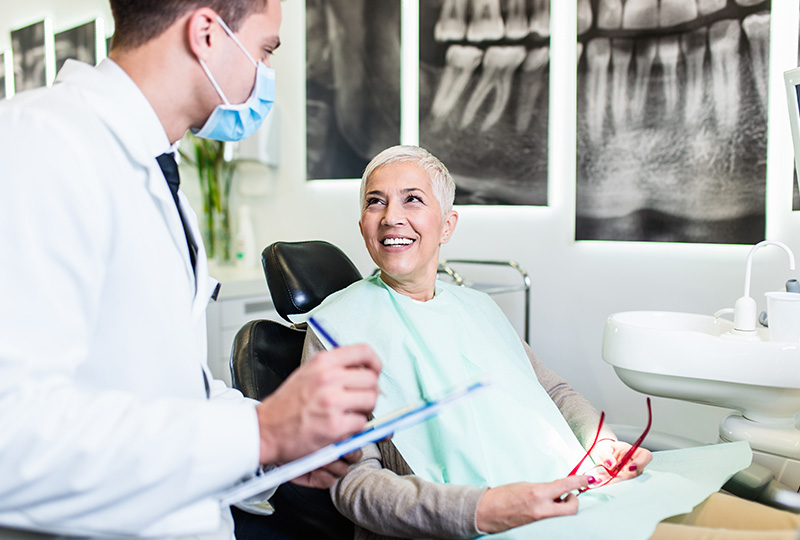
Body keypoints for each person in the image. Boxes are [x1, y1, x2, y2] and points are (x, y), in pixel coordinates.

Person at [0, 1, 381, 539]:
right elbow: (11, 437)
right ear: (207, 33)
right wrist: (260, 433)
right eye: (265, 49)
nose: (264, 75)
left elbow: (175, 390)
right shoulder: (40, 145)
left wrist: (277, 453)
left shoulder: (153, 168)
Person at [300, 145, 800, 540]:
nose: (391, 217)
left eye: (413, 199)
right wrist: (484, 509)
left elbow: (553, 393)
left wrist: (599, 443)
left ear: (447, 224)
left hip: (579, 493)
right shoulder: (337, 328)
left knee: (785, 527)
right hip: (486, 525)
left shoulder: (475, 307)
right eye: (375, 201)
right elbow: (355, 486)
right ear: (362, 222)